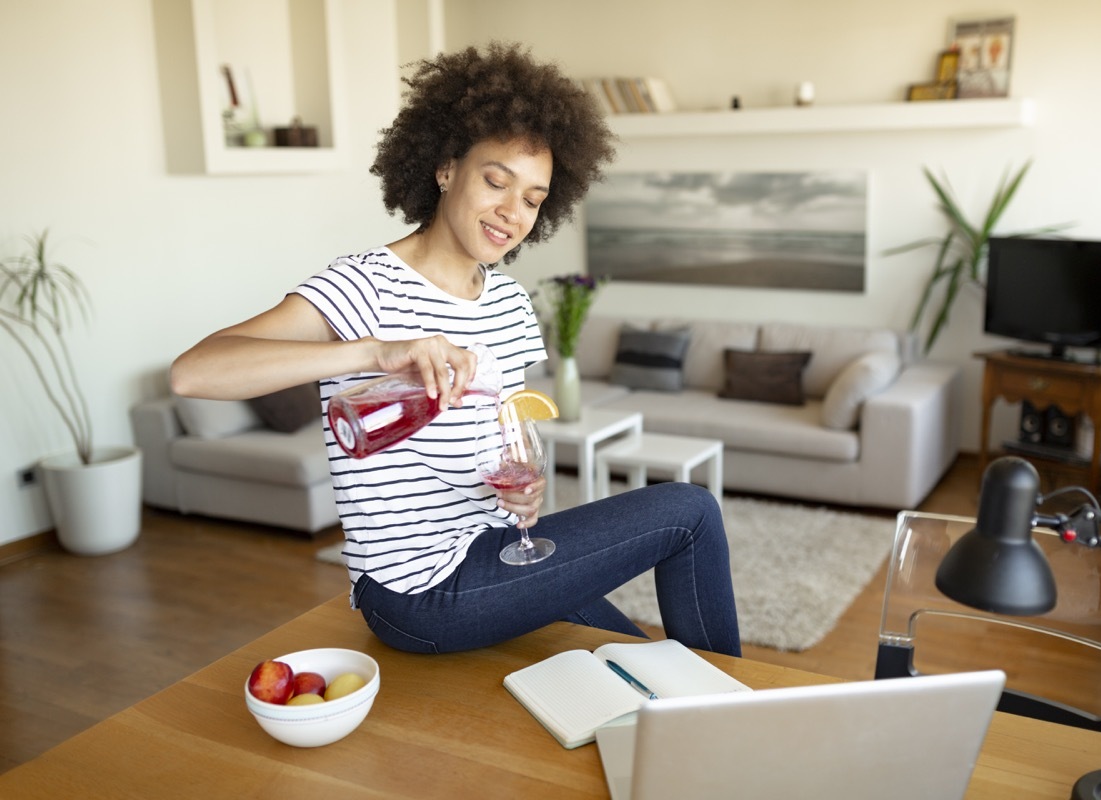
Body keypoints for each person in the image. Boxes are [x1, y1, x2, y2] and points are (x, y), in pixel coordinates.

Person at [171, 42, 740, 657]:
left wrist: (525, 487)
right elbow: (194, 373)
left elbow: (508, 436)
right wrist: (373, 352)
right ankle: (738, 716)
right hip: (417, 594)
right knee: (691, 511)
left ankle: (709, 721)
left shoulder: (509, 303)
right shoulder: (365, 286)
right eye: (496, 181)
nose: (511, 213)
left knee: (647, 664)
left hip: (496, 555)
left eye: (532, 198)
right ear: (446, 168)